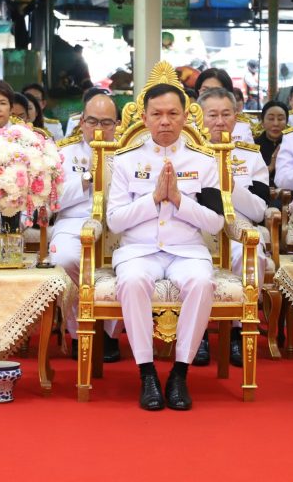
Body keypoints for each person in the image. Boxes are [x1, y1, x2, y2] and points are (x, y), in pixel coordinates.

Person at [106, 83, 224, 411]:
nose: (165, 121)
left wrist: (179, 200)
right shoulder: (125, 161)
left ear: (185, 117)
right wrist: (154, 198)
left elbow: (215, 223)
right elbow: (114, 221)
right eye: (157, 114)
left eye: (173, 113)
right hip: (139, 251)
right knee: (132, 281)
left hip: (186, 251)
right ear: (144, 118)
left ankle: (179, 373)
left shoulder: (204, 162)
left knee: (202, 282)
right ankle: (147, 374)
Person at [199, 87, 270, 367]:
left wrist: (230, 185)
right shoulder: (188, 153)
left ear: (236, 116)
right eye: (212, 115)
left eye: (226, 114)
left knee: (253, 254)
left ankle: (240, 332)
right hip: (196, 228)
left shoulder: (250, 156)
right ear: (199, 117)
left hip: (237, 228)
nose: (220, 122)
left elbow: (260, 210)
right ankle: (198, 334)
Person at [48, 92, 121, 362]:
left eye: (106, 122)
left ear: (117, 124)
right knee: (65, 259)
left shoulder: (128, 152)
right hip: (74, 221)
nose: (98, 128)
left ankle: (110, 334)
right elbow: (52, 201)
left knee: (130, 261)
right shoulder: (63, 153)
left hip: (118, 222)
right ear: (81, 122)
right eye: (92, 121)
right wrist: (88, 177)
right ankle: (79, 332)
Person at [194, 68, 253, 143]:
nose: (210, 95)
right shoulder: (187, 127)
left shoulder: (241, 129)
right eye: (205, 90)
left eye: (217, 91)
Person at [255, 100, 288, 187]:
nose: (276, 123)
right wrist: (271, 167)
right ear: (262, 122)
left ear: (287, 122)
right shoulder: (253, 146)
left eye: (280, 119)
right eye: (271, 119)